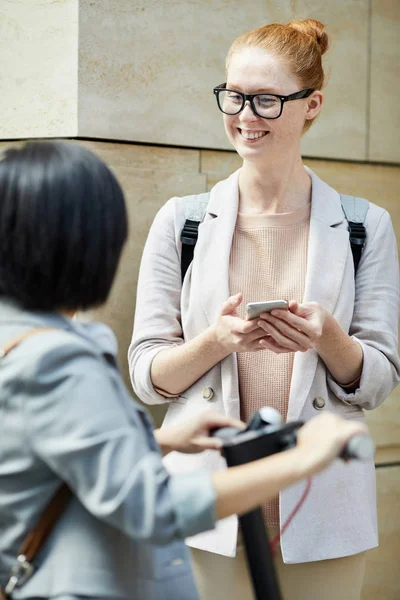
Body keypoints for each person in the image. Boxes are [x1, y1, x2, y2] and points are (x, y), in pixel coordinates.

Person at [0, 140, 367, 600]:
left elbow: (46, 453)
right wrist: (303, 458)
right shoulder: (55, 359)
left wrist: (160, 440)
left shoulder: (16, 340)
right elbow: (151, 506)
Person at [129, 19, 400, 600]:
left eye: (268, 100)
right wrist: (215, 342)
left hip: (322, 504)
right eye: (234, 95)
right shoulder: (183, 221)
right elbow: (146, 378)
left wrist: (328, 336)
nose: (245, 115)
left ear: (312, 105)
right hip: (208, 508)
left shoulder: (363, 226)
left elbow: (377, 380)